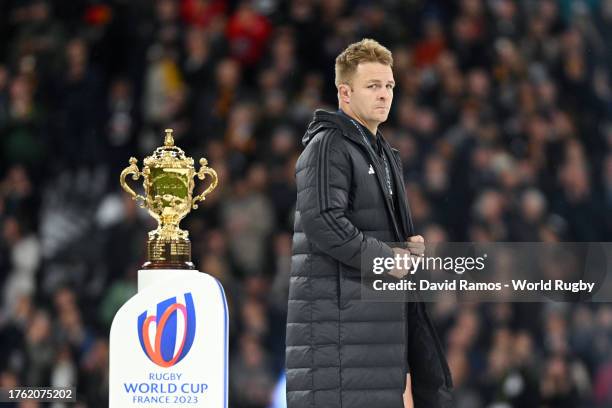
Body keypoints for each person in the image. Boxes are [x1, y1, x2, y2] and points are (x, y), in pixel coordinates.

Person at [285, 39, 453, 408]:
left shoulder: (381, 152)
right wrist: (388, 258)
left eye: (389, 86)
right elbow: (324, 221)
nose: (384, 95)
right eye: (373, 86)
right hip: (339, 349)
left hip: (371, 344)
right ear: (345, 93)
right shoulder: (329, 144)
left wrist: (408, 248)